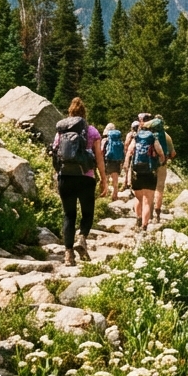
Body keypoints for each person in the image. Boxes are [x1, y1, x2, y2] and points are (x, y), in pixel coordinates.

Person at [51, 97, 104, 265]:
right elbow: (99, 156)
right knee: (87, 213)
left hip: (65, 177)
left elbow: (55, 153)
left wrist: (57, 174)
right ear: (84, 114)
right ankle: (82, 238)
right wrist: (104, 178)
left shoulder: (61, 131)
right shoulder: (92, 131)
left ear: (70, 112)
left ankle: (68, 255)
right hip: (86, 177)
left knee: (69, 215)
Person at [125, 118, 164, 230]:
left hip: (137, 172)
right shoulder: (153, 138)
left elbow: (129, 152)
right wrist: (161, 161)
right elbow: (160, 152)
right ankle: (144, 225)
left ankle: (138, 218)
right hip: (150, 172)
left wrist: (127, 165)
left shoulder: (136, 138)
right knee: (147, 200)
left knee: (138, 198)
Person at [148, 116, 176, 223]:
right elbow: (173, 153)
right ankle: (158, 213)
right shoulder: (166, 136)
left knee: (150, 187)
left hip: (149, 165)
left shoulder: (148, 135)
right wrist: (167, 157)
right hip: (162, 164)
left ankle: (148, 212)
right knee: (159, 188)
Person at [99, 122, 125, 200]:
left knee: (105, 178)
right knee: (115, 179)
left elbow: (101, 150)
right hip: (116, 161)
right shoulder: (118, 140)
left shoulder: (104, 140)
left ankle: (104, 193)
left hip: (107, 160)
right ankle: (115, 195)